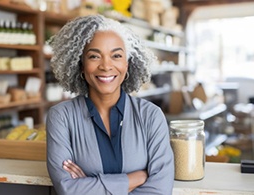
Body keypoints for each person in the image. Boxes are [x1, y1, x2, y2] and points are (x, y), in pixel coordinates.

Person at [46, 14, 174, 195]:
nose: (106, 66)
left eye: (116, 55)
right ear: (81, 65)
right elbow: (68, 189)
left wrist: (88, 185)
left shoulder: (151, 116)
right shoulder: (61, 117)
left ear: (127, 64)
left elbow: (159, 190)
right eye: (94, 56)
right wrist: (134, 179)